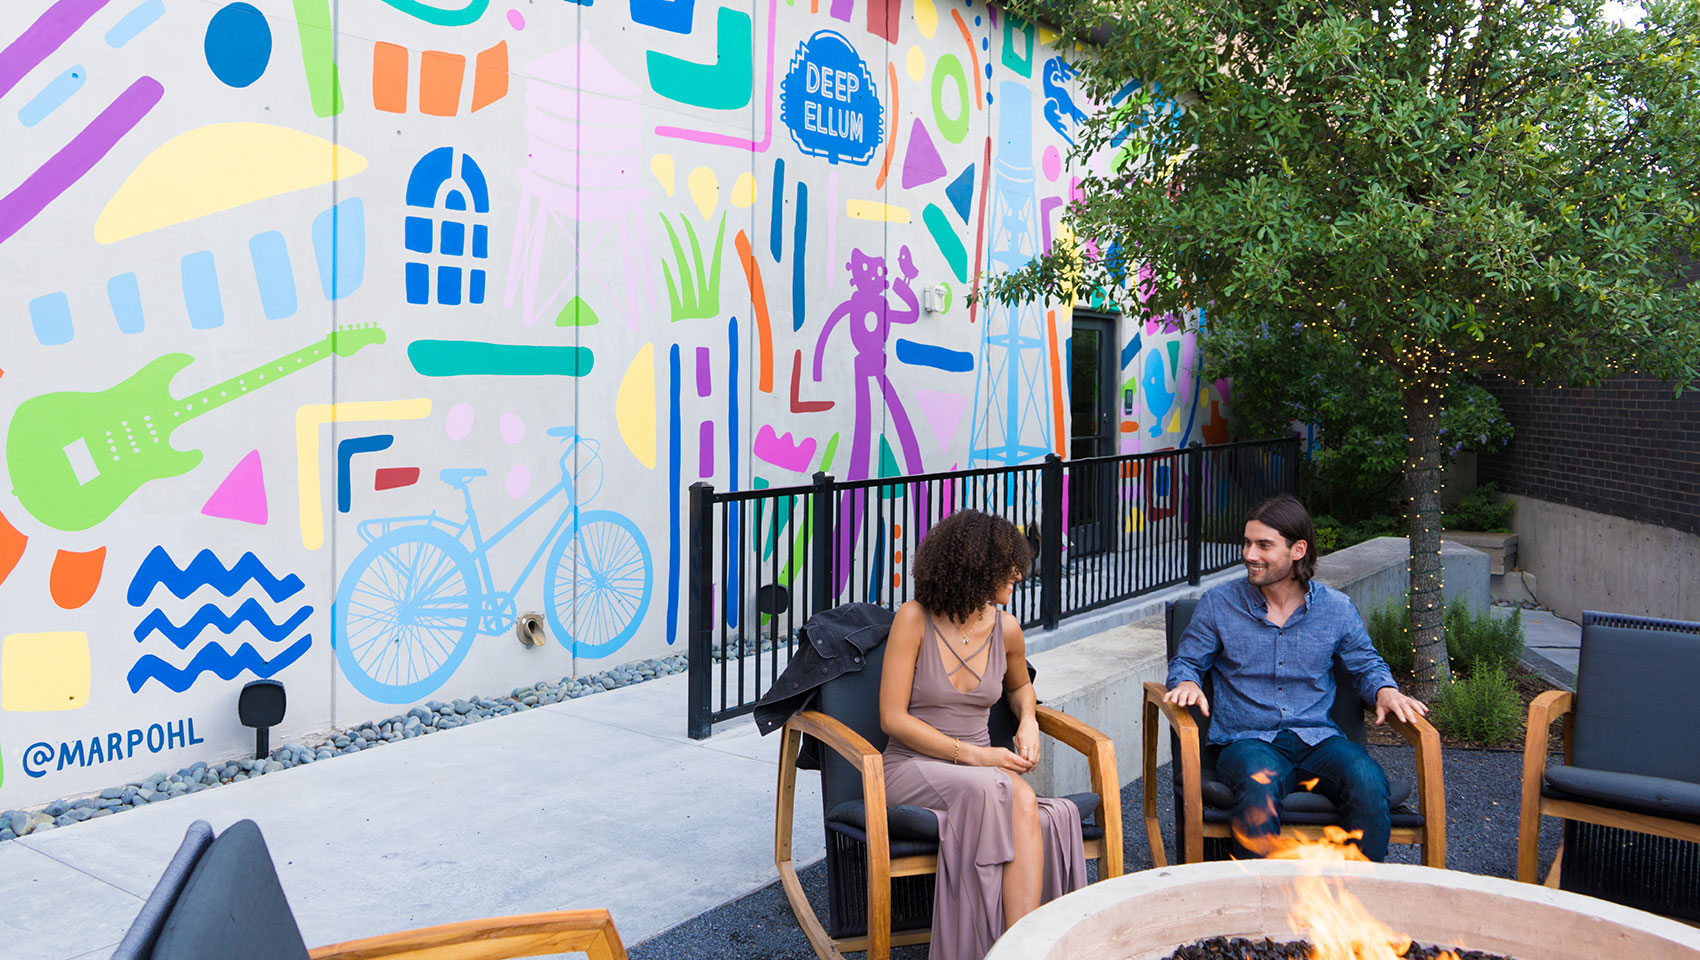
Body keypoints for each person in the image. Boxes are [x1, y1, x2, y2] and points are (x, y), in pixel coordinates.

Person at [1162, 494, 1429, 861]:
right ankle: (1260, 893)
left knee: (1367, 779)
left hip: (1319, 740)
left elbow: (1367, 664)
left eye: (1264, 545)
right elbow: (1186, 662)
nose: (1249, 554)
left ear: (1298, 550)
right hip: (1248, 740)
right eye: (1247, 543)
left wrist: (1385, 689)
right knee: (1258, 783)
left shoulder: (1336, 609)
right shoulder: (1219, 603)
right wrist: (1187, 682)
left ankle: (1356, 891)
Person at [879, 509, 1085, 960]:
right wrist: (976, 756)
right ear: (974, 566)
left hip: (982, 771)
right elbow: (892, 718)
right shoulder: (913, 619)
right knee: (1001, 791)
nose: (1018, 573)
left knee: (1024, 801)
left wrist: (1028, 721)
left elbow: (1020, 687)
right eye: (1007, 565)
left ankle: (1019, 949)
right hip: (912, 765)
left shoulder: (1007, 629)